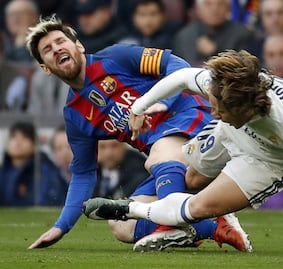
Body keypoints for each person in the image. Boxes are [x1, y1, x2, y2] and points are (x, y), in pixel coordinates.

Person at [84, 49, 283, 256]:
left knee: (198, 208)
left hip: (270, 161)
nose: (210, 108)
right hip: (231, 132)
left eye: (217, 107)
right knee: (191, 177)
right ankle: (192, 224)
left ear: (242, 110)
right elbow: (180, 77)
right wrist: (138, 108)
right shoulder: (226, 87)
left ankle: (132, 211)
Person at [25, 15, 251, 252]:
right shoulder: (75, 115)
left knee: (159, 154)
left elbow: (178, 66)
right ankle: (216, 228)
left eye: (60, 41)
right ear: (45, 68)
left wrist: (159, 103)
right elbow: (83, 173)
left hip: (191, 119)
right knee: (122, 224)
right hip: (168, 158)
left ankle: (171, 224)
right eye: (48, 49)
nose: (56, 48)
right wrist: (61, 227)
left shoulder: (115, 57)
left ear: (78, 46)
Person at [173, 0, 253, 67]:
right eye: (208, 4)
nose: (214, 9)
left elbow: (243, 70)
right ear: (198, 8)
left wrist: (215, 53)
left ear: (228, 8)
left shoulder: (242, 34)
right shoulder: (184, 36)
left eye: (220, 4)